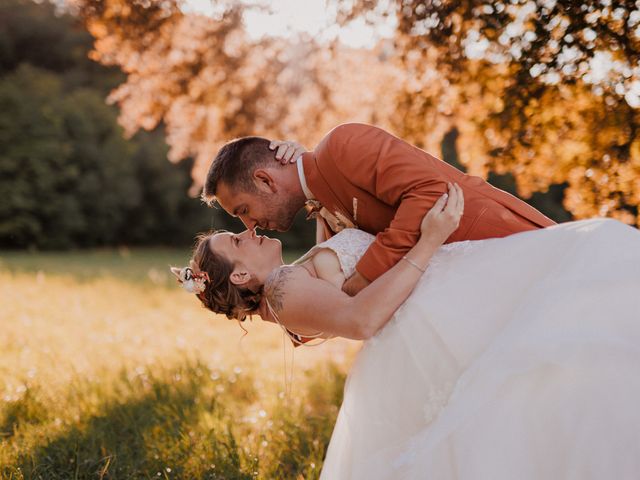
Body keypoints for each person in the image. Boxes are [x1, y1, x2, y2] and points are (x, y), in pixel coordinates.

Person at [172, 183, 640, 479]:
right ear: (238, 276)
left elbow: (341, 290)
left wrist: (326, 228)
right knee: (585, 273)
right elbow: (361, 319)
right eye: (237, 240)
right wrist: (431, 238)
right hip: (429, 317)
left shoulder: (285, 286)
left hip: (433, 309)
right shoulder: (282, 289)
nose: (248, 231)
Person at [201, 123, 556, 298]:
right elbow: (328, 302)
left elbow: (431, 193)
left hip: (505, 245)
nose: (250, 226)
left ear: (265, 180)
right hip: (468, 290)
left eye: (244, 210)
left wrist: (365, 279)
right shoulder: (321, 209)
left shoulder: (345, 144)